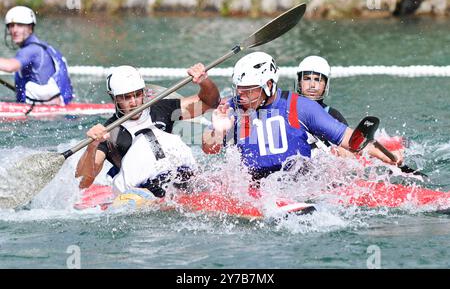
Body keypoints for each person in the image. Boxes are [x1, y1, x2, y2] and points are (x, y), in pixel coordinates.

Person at [202, 51, 403, 181]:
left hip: (299, 183)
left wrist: (390, 158)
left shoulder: (302, 107)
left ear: (269, 85)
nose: (242, 96)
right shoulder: (231, 107)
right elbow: (208, 148)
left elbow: (352, 141)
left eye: (250, 91)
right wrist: (218, 132)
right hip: (254, 186)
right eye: (239, 90)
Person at [75, 64, 220, 198]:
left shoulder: (161, 108)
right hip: (141, 190)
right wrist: (92, 146)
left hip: (178, 175)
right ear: (114, 98)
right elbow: (83, 182)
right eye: (126, 98)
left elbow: (209, 103)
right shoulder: (110, 133)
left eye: (137, 94)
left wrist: (204, 81)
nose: (134, 102)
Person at [0, 6, 73, 105]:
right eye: (11, 25)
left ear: (30, 28)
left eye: (20, 25)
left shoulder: (32, 50)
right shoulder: (41, 46)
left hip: (46, 113)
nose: (14, 30)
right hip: (53, 106)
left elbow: (10, 66)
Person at [296, 55, 350, 155]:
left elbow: (349, 153)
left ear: (325, 85)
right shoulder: (286, 109)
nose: (312, 85)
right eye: (307, 78)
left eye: (318, 79)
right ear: (299, 83)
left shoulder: (333, 115)